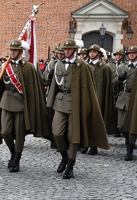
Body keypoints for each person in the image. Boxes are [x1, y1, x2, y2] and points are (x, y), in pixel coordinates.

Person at [46, 39, 110, 179]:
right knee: (57, 133)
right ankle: (64, 156)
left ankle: (70, 165)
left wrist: (86, 106)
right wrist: (49, 104)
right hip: (61, 102)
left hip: (76, 104)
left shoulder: (82, 66)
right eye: (65, 49)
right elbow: (53, 86)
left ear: (75, 50)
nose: (66, 51)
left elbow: (89, 88)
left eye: (69, 49)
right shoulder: (59, 65)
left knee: (73, 136)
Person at [0, 39, 49, 173]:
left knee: (20, 133)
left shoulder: (27, 67)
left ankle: (17, 158)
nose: (12, 52)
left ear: (20, 52)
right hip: (6, 100)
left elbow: (33, 85)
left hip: (20, 103)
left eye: (15, 50)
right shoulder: (5, 65)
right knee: (5, 131)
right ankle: (13, 152)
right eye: (11, 50)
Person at [80, 45, 116, 155]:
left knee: (95, 122)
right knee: (85, 121)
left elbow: (109, 85)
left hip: (99, 97)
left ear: (99, 54)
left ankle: (94, 145)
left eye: (94, 52)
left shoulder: (105, 68)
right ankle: (85, 144)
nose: (91, 54)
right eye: (90, 51)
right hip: (86, 97)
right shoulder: (85, 66)